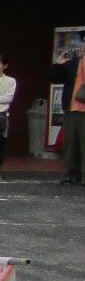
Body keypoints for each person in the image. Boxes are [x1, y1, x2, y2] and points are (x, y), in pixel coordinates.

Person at [48, 40, 85, 185]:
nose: (82, 48)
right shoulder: (73, 63)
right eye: (82, 45)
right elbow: (53, 77)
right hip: (71, 109)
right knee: (70, 143)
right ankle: (72, 173)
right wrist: (58, 64)